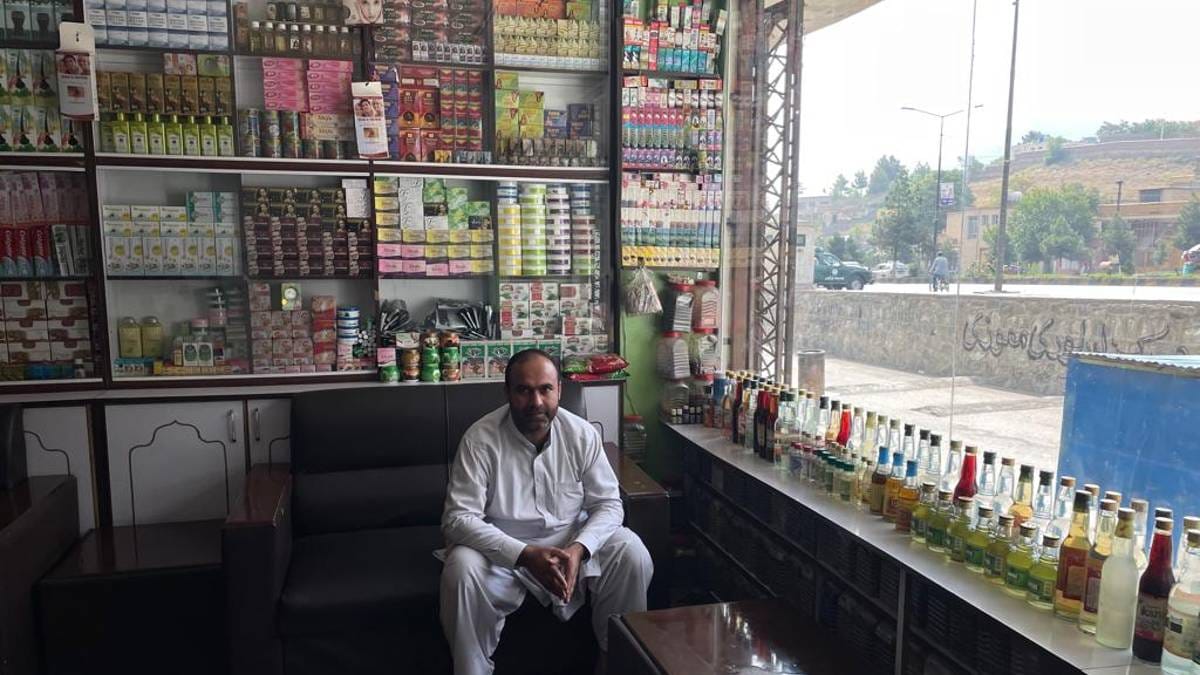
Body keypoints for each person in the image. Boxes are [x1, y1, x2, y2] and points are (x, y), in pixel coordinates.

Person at [439, 349, 653, 675]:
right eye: (524, 390)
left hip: (570, 545)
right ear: (507, 392)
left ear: (559, 391)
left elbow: (608, 504)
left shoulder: (582, 433)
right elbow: (458, 519)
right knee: (461, 567)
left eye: (545, 389)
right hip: (502, 554)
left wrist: (579, 550)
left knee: (631, 550)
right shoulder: (480, 439)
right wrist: (525, 555)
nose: (536, 402)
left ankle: (615, 662)